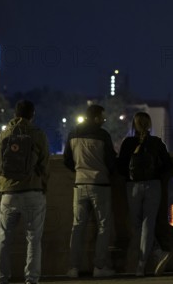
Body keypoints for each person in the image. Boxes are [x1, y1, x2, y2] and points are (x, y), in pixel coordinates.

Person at [0, 100, 50, 284]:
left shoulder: (4, 134)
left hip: (8, 194)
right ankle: (31, 279)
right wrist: (42, 185)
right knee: (33, 239)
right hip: (33, 192)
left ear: (15, 114)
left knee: (3, 238)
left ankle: (0, 279)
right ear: (32, 114)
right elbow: (45, 164)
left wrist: (4, 186)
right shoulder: (37, 134)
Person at [116, 112, 173, 277]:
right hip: (153, 185)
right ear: (149, 126)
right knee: (149, 224)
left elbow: (120, 167)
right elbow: (168, 165)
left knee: (137, 225)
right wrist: (154, 173)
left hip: (133, 186)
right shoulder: (156, 142)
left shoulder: (128, 143)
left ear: (133, 125)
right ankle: (146, 262)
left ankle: (153, 256)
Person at [63, 104, 116, 278]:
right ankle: (99, 266)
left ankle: (73, 267)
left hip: (79, 183)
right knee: (103, 226)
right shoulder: (103, 135)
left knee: (77, 227)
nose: (104, 120)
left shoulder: (73, 134)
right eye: (102, 117)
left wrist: (79, 170)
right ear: (95, 118)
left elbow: (67, 160)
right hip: (100, 184)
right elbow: (111, 161)